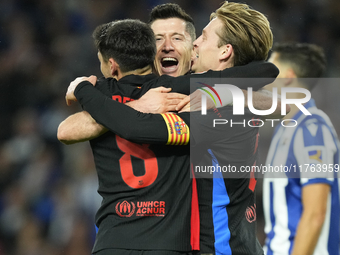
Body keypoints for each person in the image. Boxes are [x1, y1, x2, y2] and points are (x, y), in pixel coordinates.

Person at [60, 2, 276, 254]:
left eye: (200, 37)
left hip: (222, 247)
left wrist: (84, 89)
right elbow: (67, 130)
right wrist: (139, 102)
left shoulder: (213, 110)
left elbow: (135, 127)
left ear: (225, 51)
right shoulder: (191, 93)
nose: (195, 44)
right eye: (157, 39)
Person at [262, 42, 340, 255]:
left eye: (270, 69)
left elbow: (315, 214)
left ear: (287, 76)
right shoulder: (285, 128)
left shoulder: (312, 130)